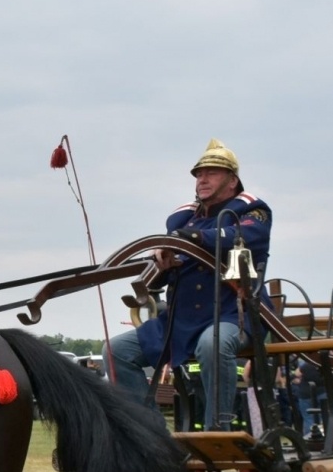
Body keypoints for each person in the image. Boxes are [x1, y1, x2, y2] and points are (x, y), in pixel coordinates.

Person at [105, 139, 272, 430]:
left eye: (212, 173)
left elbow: (240, 237)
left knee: (212, 344)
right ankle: (153, 436)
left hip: (233, 315)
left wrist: (189, 239)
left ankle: (217, 432)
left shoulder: (250, 212)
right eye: (198, 174)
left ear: (232, 181)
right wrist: (162, 263)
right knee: (115, 351)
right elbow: (169, 272)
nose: (202, 180)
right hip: (180, 321)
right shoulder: (184, 221)